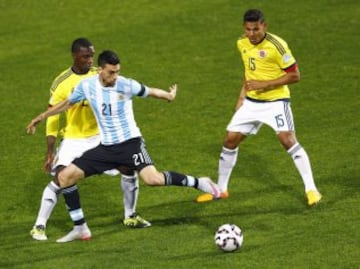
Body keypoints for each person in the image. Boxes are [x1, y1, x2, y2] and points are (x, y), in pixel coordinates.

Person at [27, 49, 221, 239]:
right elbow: (67, 103)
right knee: (65, 176)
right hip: (106, 148)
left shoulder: (125, 85)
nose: (115, 76)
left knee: (153, 180)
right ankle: (81, 228)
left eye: (118, 71)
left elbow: (150, 91)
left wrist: (168, 96)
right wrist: (41, 117)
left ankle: (200, 182)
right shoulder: (87, 86)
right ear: (101, 70)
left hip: (131, 144)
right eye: (111, 72)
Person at [195, 9, 322, 206]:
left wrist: (265, 85)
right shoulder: (242, 43)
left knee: (287, 139)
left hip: (276, 102)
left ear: (264, 26)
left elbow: (295, 76)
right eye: (248, 29)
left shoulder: (277, 46)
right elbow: (248, 72)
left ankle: (311, 189)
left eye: (256, 29)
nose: (252, 34)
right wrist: (241, 97)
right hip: (252, 103)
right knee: (230, 139)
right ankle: (221, 190)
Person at [30, 39, 150, 244]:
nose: (89, 60)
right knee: (60, 178)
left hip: (100, 137)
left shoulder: (101, 74)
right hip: (73, 138)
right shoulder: (62, 82)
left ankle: (130, 215)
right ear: (74, 56)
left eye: (92, 56)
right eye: (86, 56)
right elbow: (53, 116)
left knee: (128, 167)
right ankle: (39, 225)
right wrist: (50, 151)